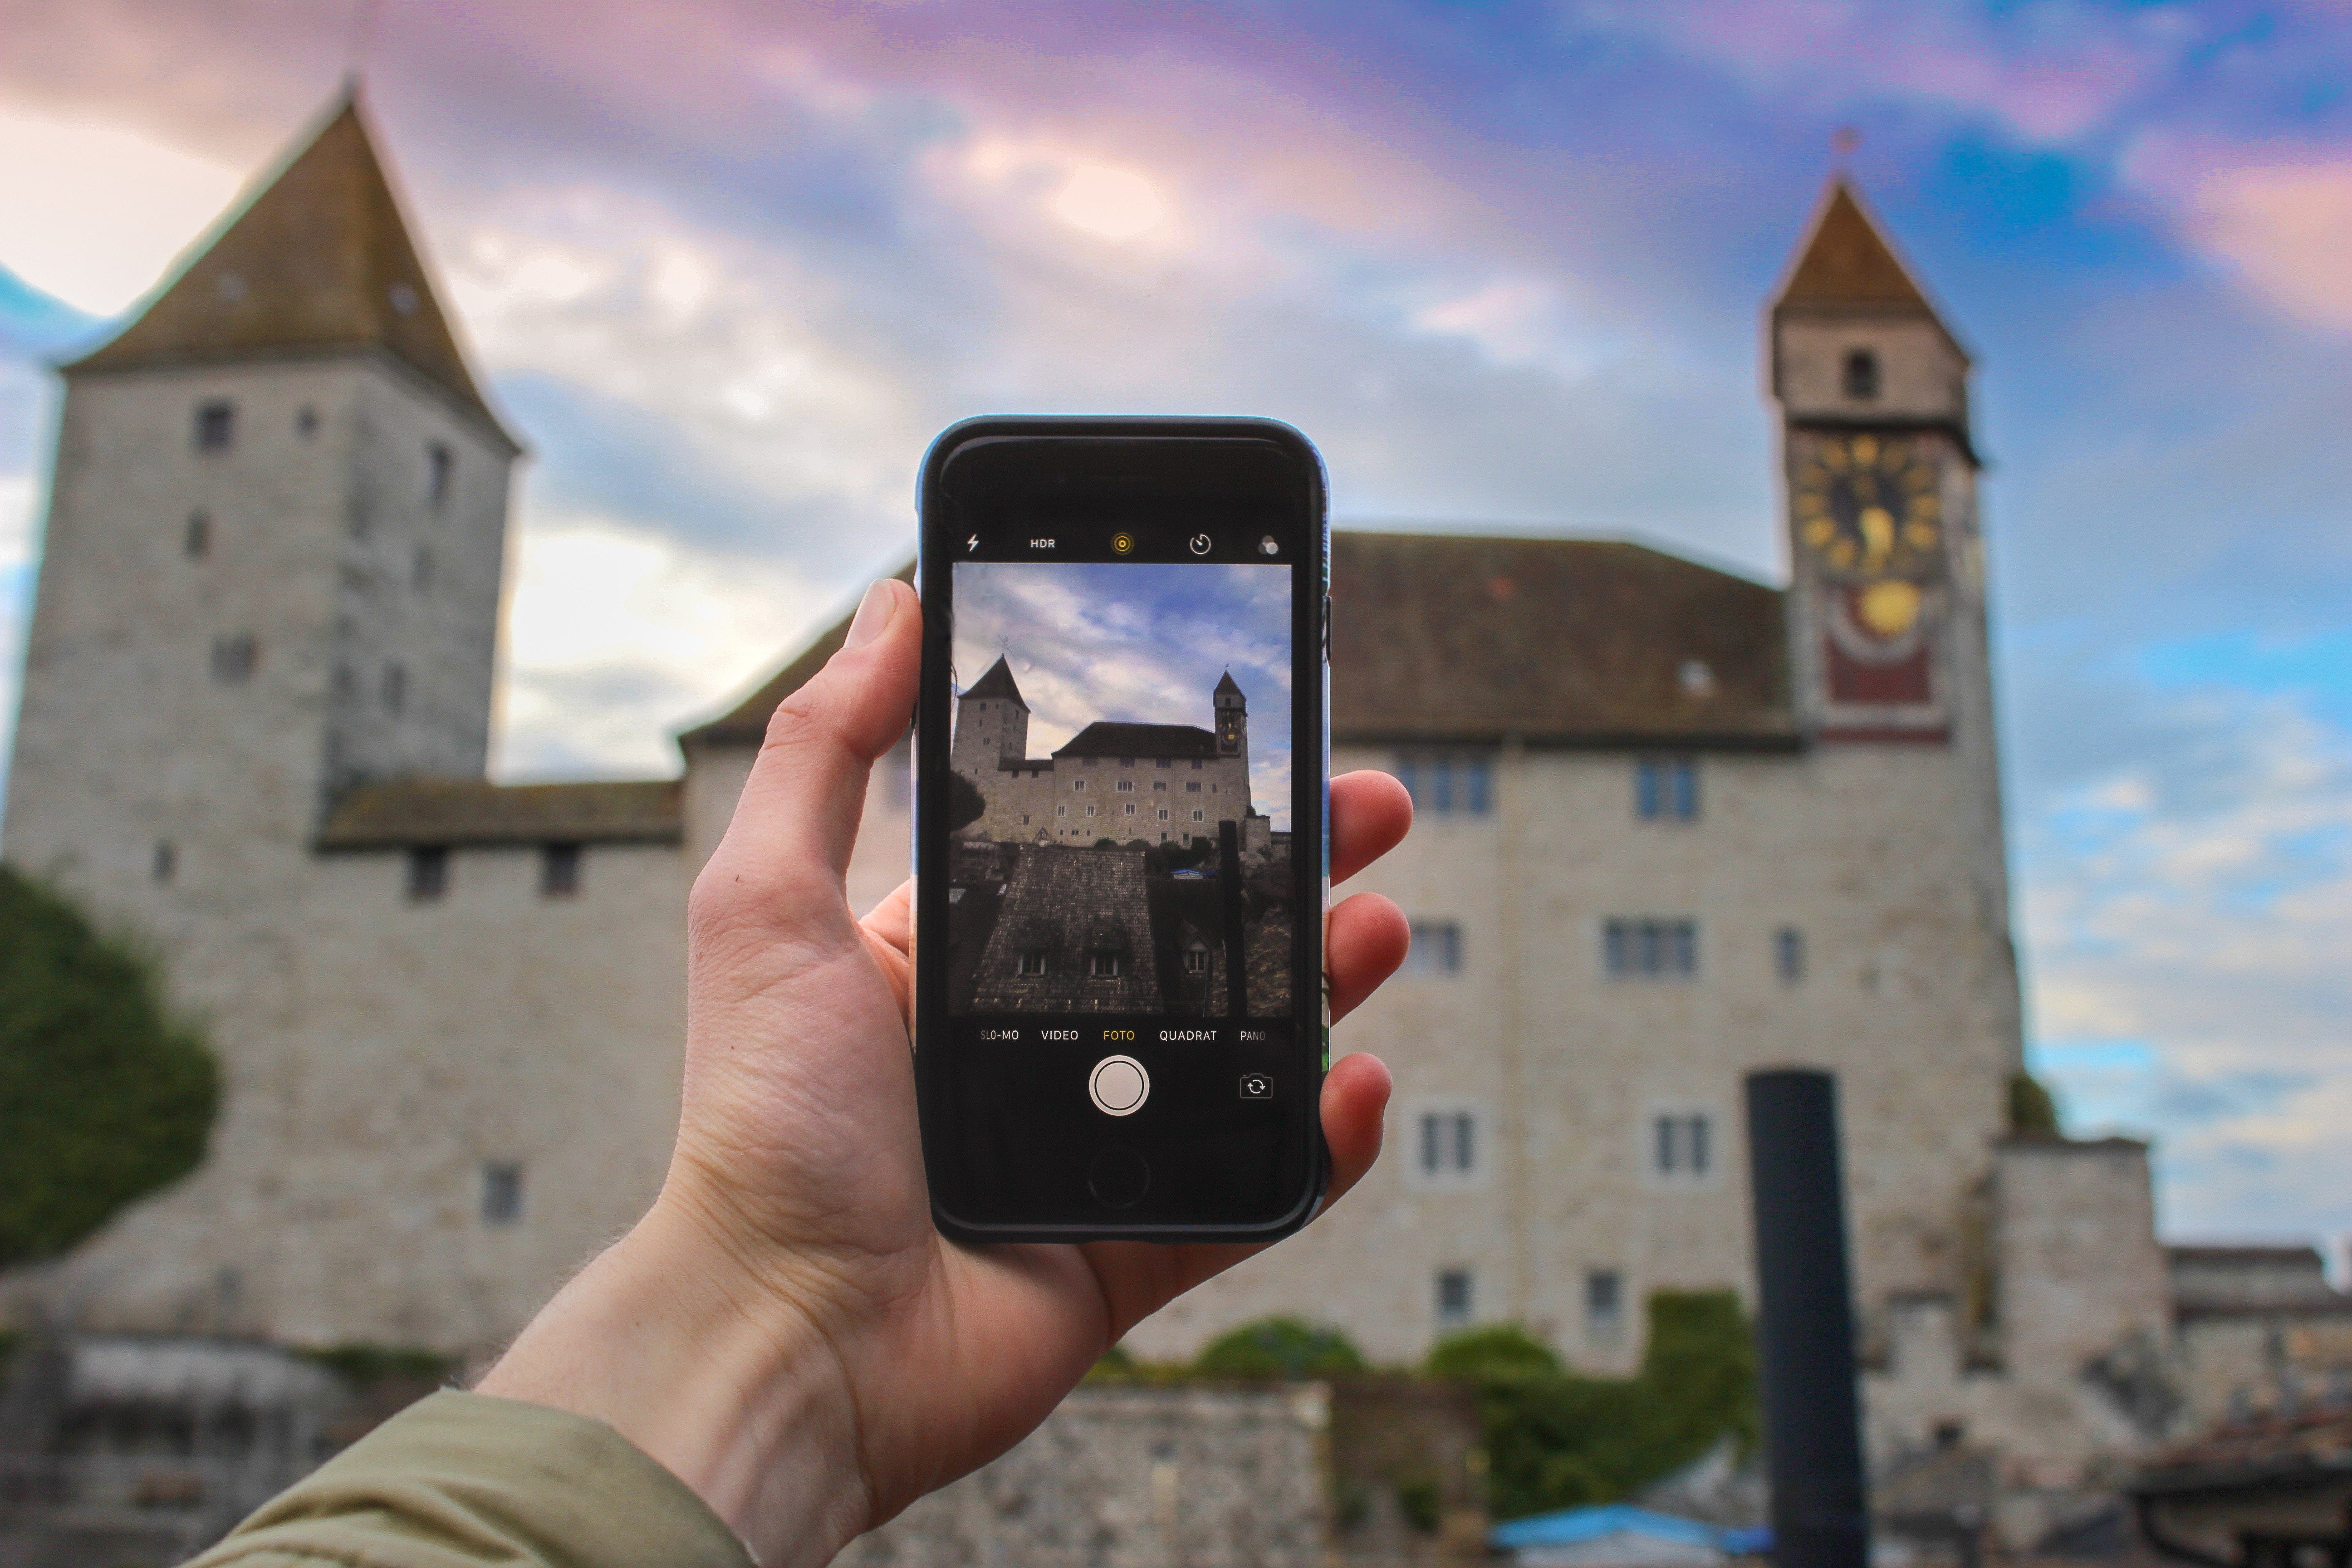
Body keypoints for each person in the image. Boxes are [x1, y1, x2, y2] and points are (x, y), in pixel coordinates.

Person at [188, 579, 1413, 1568]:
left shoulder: (1171, 787)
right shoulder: (1065, 790)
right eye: (984, 727)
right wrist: (785, 1302)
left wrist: (769, 1310)